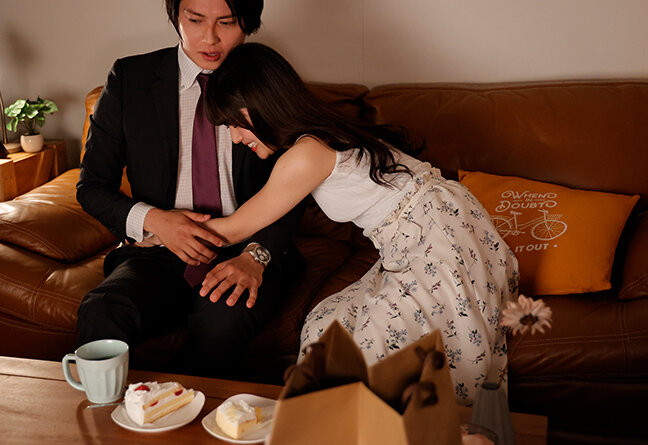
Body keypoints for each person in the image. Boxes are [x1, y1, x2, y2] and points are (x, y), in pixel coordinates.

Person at [200, 42, 519, 404]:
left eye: (234, 122)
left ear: (263, 101)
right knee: (326, 329)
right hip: (443, 228)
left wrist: (157, 228)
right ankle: (337, 422)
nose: (235, 137)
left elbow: (234, 230)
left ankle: (379, 425)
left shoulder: (306, 153)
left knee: (375, 345)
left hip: (439, 240)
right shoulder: (320, 134)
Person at [76, 0, 304, 378]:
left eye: (227, 22)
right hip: (160, 249)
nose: (209, 40)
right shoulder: (130, 80)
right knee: (103, 309)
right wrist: (156, 221)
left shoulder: (267, 82)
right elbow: (91, 187)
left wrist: (257, 256)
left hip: (246, 247)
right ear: (175, 15)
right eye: (195, 20)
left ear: (248, 22)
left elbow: (298, 184)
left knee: (220, 322)